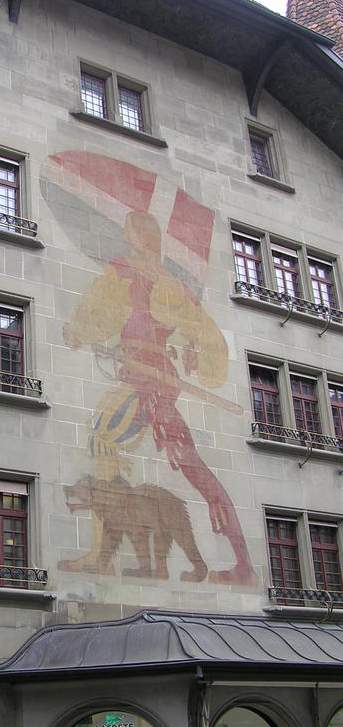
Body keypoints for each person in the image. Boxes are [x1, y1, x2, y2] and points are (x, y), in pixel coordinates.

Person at [61, 209, 257, 586]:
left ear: (141, 238)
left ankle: (104, 558)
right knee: (188, 467)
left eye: (132, 232)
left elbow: (205, 335)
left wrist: (196, 354)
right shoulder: (146, 279)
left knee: (105, 437)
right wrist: (82, 334)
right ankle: (239, 565)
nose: (128, 237)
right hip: (145, 380)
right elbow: (99, 315)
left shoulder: (144, 280)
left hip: (150, 385)